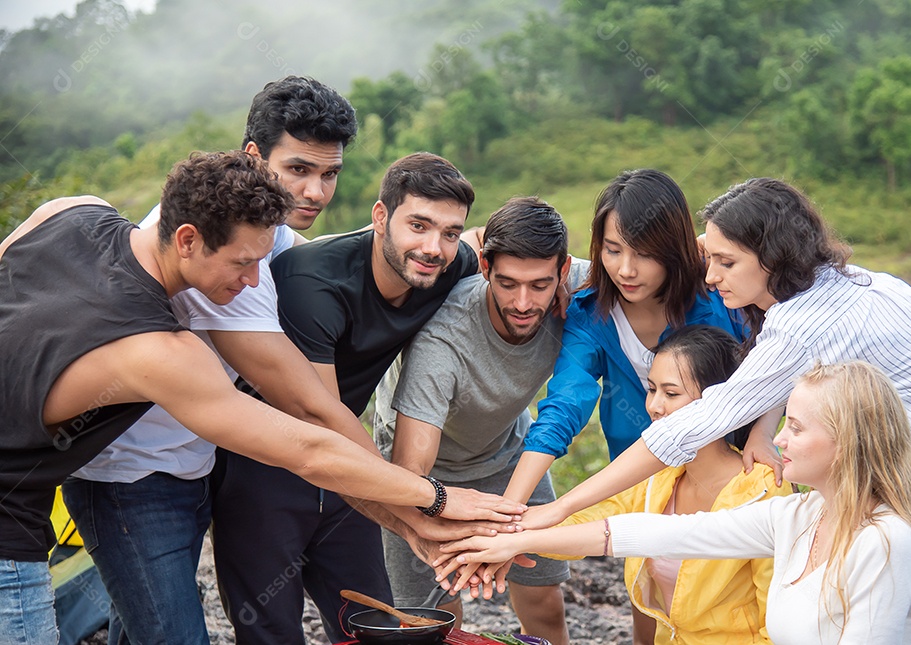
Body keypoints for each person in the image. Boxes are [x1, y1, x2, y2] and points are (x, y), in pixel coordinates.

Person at [0, 151, 519, 645]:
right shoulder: (159, 352)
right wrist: (436, 498)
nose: (254, 282)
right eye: (244, 263)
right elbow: (309, 446)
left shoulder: (69, 212)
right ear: (186, 239)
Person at [518, 177, 911, 645]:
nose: (710, 276)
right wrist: (766, 423)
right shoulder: (831, 283)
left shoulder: (803, 323)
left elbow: (689, 427)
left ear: (772, 260)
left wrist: (558, 508)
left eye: (726, 263)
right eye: (710, 258)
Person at [438, 361, 911, 645]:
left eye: (794, 426)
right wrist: (510, 539)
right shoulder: (799, 517)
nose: (777, 440)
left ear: (849, 442)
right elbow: (635, 532)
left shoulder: (885, 541)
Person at [208, 151, 492, 644]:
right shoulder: (312, 281)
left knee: (374, 622)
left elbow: (490, 244)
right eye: (418, 225)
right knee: (271, 631)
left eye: (448, 232)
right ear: (380, 217)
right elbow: (320, 416)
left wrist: (571, 280)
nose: (433, 247)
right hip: (264, 469)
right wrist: (422, 516)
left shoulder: (445, 263)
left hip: (350, 459)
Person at [372, 197, 591, 645]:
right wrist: (469, 537)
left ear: (564, 270)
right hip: (424, 478)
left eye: (540, 284)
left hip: (508, 453)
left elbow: (667, 262)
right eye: (508, 283)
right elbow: (410, 469)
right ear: (486, 267)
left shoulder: (581, 283)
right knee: (435, 619)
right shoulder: (443, 340)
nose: (524, 302)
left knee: (546, 599)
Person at [504, 169, 767, 509]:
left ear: (672, 249)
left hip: (735, 486)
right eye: (613, 250)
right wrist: (510, 507)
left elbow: (773, 367)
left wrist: (762, 434)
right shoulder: (590, 314)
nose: (626, 270)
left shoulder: (722, 298)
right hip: (641, 491)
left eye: (644, 254)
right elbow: (564, 405)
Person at [556, 325, 788, 645]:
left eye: (671, 393)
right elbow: (582, 521)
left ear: (721, 402)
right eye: (652, 389)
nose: (654, 405)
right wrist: (502, 533)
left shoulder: (763, 488)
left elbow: (777, 618)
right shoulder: (657, 475)